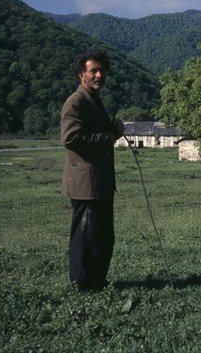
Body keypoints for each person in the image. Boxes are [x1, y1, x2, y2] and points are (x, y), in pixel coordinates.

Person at [60, 50, 125, 292]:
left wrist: (113, 131)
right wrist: (107, 137)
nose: (99, 75)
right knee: (86, 236)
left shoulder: (93, 99)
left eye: (102, 70)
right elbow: (71, 138)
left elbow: (94, 133)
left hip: (99, 182)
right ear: (81, 75)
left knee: (102, 235)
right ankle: (83, 284)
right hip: (86, 183)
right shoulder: (75, 102)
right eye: (93, 71)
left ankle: (97, 280)